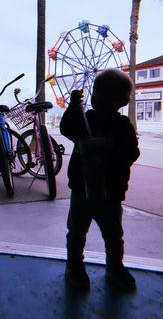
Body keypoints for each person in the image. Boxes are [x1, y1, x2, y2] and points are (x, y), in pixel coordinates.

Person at [60, 68, 140, 292]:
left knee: (111, 234)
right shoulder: (86, 118)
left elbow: (131, 153)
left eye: (100, 92)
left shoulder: (123, 126)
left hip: (109, 192)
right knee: (82, 232)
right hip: (83, 189)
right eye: (95, 91)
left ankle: (112, 267)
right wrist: (72, 108)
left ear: (120, 100)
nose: (95, 96)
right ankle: (77, 266)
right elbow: (67, 128)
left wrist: (108, 149)